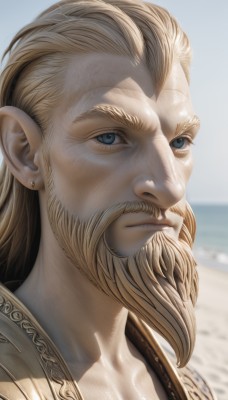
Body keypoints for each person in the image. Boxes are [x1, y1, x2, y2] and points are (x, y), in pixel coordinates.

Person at [0, 1, 215, 399]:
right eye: (110, 137)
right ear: (25, 152)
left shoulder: (187, 385)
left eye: (179, 142)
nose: (170, 188)